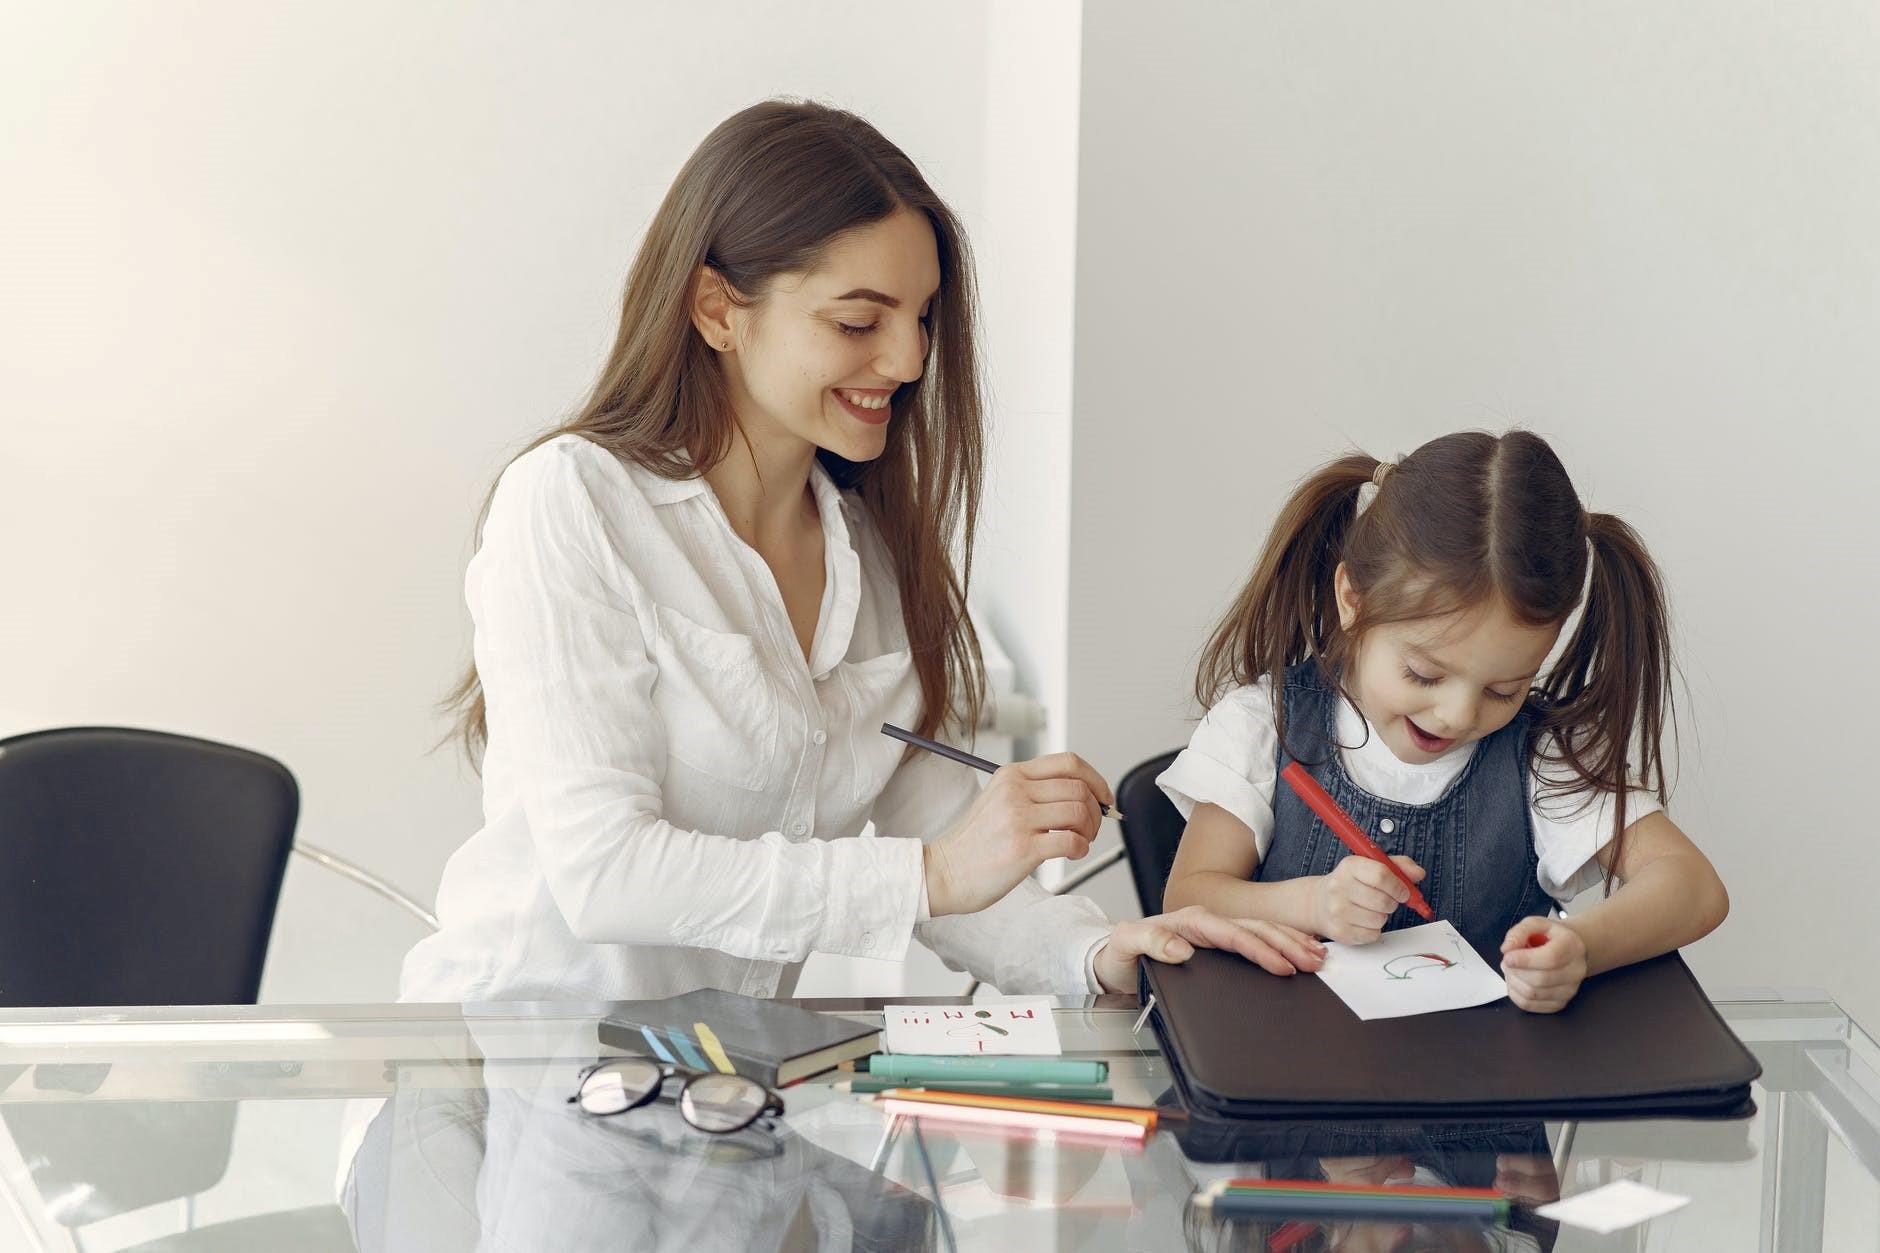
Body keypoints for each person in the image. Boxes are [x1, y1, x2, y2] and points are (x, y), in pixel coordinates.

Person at [401, 98, 1325, 1015]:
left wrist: (1099, 952)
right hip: (511, 1074)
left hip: (711, 1099)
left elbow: (936, 827)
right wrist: (928, 874)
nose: (910, 359)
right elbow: (606, 874)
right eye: (858, 322)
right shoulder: (573, 500)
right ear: (718, 310)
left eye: (923, 317)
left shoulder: (869, 556)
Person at [1160, 430, 1728, 1012]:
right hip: (1286, 1085)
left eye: (1504, 690)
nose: (1458, 714)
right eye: (1424, 674)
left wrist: (1581, 945)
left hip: (1477, 1093)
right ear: (1353, 601)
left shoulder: (1542, 756)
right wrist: (1312, 904)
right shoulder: (1264, 725)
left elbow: (1693, 887)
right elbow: (1188, 897)